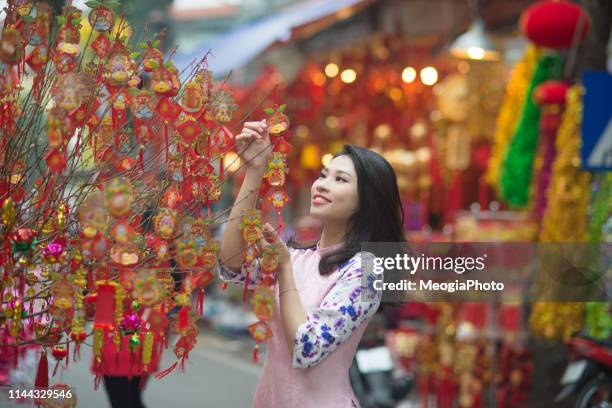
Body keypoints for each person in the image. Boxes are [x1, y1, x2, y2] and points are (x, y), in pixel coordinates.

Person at [218, 119, 406, 407]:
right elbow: (231, 263)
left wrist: (282, 269)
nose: (321, 185)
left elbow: (307, 347)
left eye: (340, 179)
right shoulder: (297, 257)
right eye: (323, 175)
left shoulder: (368, 273)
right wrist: (255, 170)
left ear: (367, 202)